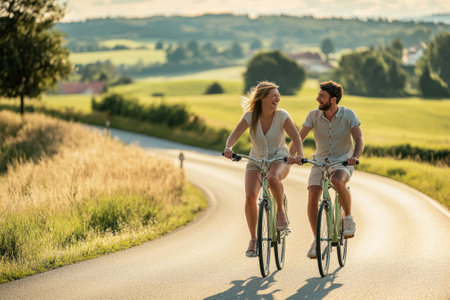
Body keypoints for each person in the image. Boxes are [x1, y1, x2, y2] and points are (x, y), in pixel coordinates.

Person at [223, 81, 304, 257]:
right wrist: (228, 148)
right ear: (262, 98)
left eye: (278, 94)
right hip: (256, 160)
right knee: (250, 196)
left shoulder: (282, 116)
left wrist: (298, 155)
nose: (278, 98)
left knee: (273, 177)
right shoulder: (250, 116)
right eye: (273, 95)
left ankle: (281, 213)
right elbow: (233, 136)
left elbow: (296, 138)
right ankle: (254, 240)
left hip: (280, 158)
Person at [290, 80, 364, 259]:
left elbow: (359, 138)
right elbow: (298, 138)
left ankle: (348, 218)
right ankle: (317, 239)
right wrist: (290, 155)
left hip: (342, 162)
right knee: (313, 194)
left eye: (321, 96)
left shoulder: (348, 115)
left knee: (337, 181)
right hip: (320, 162)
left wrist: (355, 156)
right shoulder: (313, 116)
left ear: (333, 99)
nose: (317, 99)